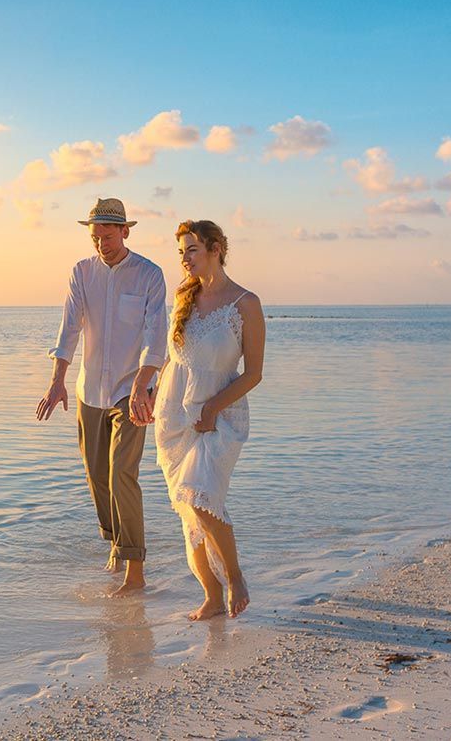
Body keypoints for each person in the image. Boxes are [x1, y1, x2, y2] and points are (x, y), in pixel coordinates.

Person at [36, 197, 168, 596]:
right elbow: (69, 330)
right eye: (95, 237)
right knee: (97, 477)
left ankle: (135, 570)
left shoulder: (149, 275)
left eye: (108, 236)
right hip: (89, 391)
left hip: (132, 392)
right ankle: (115, 542)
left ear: (125, 231)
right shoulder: (82, 272)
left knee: (121, 474)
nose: (101, 244)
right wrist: (57, 379)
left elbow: (155, 335)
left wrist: (145, 381)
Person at [153, 219, 265, 620]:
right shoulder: (184, 297)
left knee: (201, 497)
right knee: (187, 508)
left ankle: (235, 578)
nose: (184, 259)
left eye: (192, 250)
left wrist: (213, 408)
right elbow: (173, 358)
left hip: (220, 414)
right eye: (181, 251)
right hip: (174, 414)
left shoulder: (245, 304)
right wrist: (146, 390)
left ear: (216, 248)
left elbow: (254, 373)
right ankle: (211, 596)